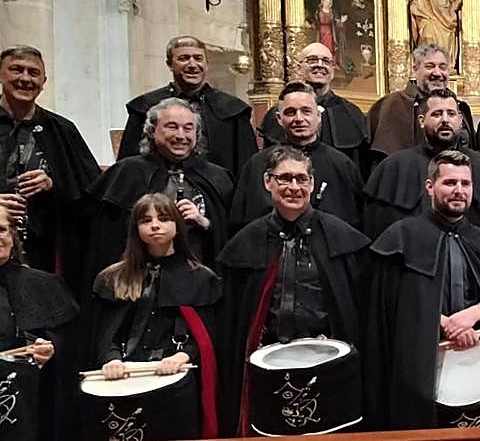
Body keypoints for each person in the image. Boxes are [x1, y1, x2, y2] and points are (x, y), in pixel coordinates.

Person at [363, 150, 480, 430]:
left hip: (476, 361)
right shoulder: (401, 237)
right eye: (450, 183)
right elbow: (391, 304)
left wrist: (475, 314)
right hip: (419, 366)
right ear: (430, 187)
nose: (458, 191)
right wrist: (444, 323)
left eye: (465, 184)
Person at [218, 146, 370, 436]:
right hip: (268, 366)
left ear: (312, 184)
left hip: (329, 364)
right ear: (268, 182)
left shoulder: (345, 239)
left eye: (301, 179)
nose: (294, 187)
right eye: (285, 178)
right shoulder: (244, 243)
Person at [91, 194, 221, 440]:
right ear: (135, 228)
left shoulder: (201, 278)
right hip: (126, 375)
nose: (154, 225)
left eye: (163, 218)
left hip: (175, 376)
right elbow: (105, 331)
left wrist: (183, 356)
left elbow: (207, 334)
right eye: (146, 220)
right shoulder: (113, 278)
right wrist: (111, 358)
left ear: (177, 225)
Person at [84, 99, 233, 292]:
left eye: (188, 128)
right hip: (138, 286)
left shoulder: (218, 177)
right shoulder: (128, 172)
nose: (181, 135)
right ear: (152, 131)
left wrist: (204, 222)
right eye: (172, 127)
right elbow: (105, 238)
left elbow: (229, 237)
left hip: (198, 286)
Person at [0, 44, 99, 294]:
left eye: (33, 73)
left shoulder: (61, 129)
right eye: (16, 70)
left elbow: (92, 191)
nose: (25, 78)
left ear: (44, 81)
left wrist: (54, 183)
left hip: (46, 249)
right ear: (1, 75)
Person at [364, 89, 480, 237]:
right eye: (437, 114)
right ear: (421, 120)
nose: (445, 120)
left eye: (451, 114)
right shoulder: (393, 168)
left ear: (460, 120)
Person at [232, 82, 363, 231]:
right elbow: (243, 225)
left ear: (319, 116)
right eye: (290, 112)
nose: (299, 118)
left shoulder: (342, 165)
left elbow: (355, 225)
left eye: (306, 111)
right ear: (279, 119)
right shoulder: (258, 165)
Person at [116, 36, 256, 174]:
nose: (192, 65)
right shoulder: (145, 106)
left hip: (218, 192)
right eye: (183, 58)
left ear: (207, 64)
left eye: (198, 58)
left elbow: (248, 168)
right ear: (170, 64)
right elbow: (127, 169)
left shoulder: (233, 110)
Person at [0, 205, 77, 441]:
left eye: (1, 230)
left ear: (13, 236)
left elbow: (69, 340)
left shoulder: (43, 284)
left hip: (31, 401)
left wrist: (50, 346)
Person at [259, 42, 369, 176]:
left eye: (326, 61)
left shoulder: (351, 114)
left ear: (333, 69)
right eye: (312, 60)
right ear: (299, 68)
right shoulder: (278, 113)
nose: (320, 65)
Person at [367, 44, 476, 158]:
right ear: (415, 69)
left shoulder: (461, 108)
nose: (437, 73)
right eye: (430, 66)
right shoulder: (391, 105)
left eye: (442, 67)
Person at [409, 0, 461, 66]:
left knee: (447, 33)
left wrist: (451, 10)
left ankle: (442, 63)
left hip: (445, 20)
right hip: (430, 21)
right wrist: (427, 15)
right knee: (428, 30)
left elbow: (452, 8)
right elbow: (414, 7)